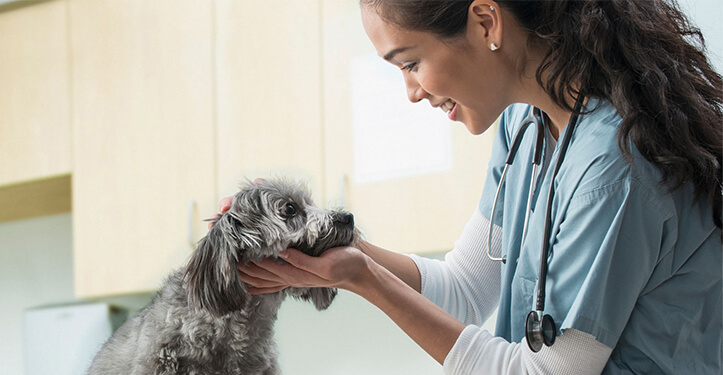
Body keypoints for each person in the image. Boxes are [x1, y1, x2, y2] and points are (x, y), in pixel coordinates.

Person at [224, 0, 722, 373]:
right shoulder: (525, 128)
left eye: (410, 63)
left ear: (486, 22)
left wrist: (362, 278)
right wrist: (336, 249)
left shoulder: (613, 168)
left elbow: (542, 373)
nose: (412, 93)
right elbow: (464, 289)